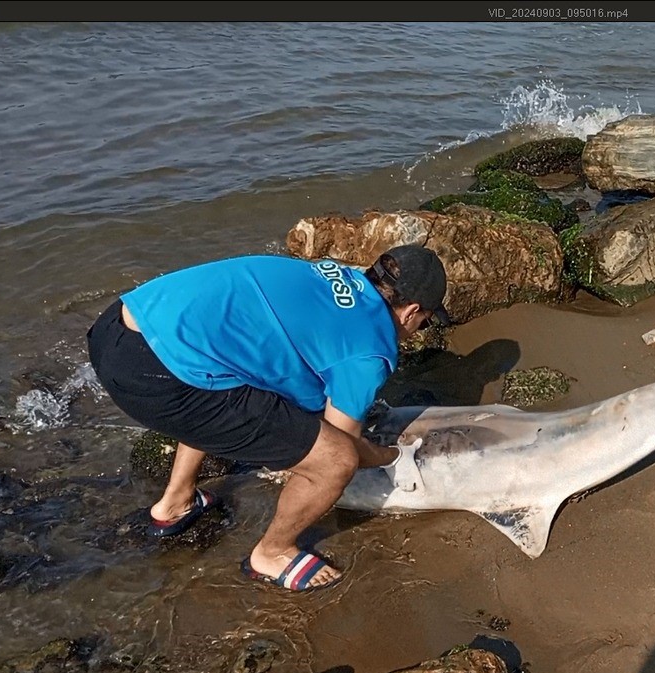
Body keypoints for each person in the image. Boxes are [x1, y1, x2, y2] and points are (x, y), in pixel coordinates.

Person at [87, 245, 451, 591]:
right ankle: (272, 554)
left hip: (117, 327)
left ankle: (176, 502)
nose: (416, 331)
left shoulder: (332, 274)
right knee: (334, 461)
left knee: (225, 368)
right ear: (410, 310)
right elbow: (344, 446)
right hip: (155, 378)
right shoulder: (369, 349)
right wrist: (393, 455)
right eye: (424, 323)